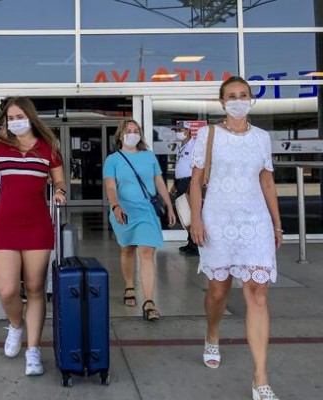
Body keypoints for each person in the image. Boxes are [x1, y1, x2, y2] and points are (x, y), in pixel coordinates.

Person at [188, 76, 283, 400]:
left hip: (255, 221)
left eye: (244, 95)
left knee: (257, 293)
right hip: (218, 220)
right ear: (222, 102)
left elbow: (267, 182)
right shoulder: (209, 134)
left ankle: (260, 378)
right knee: (219, 290)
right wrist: (196, 219)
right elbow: (196, 180)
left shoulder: (262, 138)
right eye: (232, 96)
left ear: (251, 99)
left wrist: (277, 225)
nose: (238, 100)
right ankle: (212, 333)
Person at [0, 96, 66, 377]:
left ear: (31, 117)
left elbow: (59, 179)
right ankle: (15, 325)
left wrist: (60, 191)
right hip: (5, 226)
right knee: (7, 289)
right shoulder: (1, 146)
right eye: (10, 118)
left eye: (19, 117)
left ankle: (33, 350)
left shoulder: (48, 148)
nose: (14, 122)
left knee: (35, 289)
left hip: (37, 226)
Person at [102, 119, 176, 321]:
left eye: (136, 131)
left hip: (146, 211)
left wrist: (169, 206)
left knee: (146, 252)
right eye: (128, 131)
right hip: (123, 210)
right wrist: (116, 206)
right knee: (127, 249)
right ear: (120, 135)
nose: (132, 134)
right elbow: (110, 187)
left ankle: (149, 301)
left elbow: (159, 182)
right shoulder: (113, 160)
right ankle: (129, 286)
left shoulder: (149, 156)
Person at [169, 125, 198, 256]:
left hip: (190, 182)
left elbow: (198, 166)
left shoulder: (194, 145)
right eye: (176, 130)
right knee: (185, 213)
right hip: (181, 182)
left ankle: (196, 245)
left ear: (188, 131)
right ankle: (190, 242)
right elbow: (179, 166)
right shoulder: (181, 147)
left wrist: (194, 183)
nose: (177, 133)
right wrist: (175, 184)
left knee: (192, 213)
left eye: (180, 130)